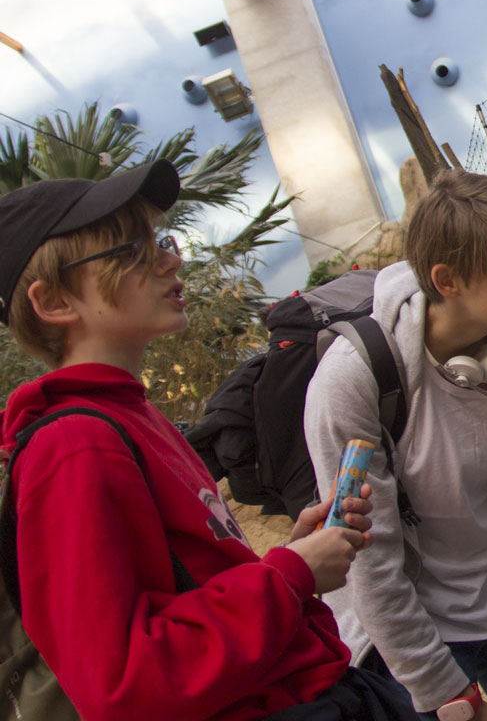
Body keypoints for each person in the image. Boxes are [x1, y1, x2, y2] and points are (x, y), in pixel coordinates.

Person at [0, 161, 417, 720]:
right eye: (132, 251)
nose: (171, 260)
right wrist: (289, 576)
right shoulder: (75, 445)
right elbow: (120, 680)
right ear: (54, 302)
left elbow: (188, 590)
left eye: (160, 241)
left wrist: (291, 557)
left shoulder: (130, 414)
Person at [304, 170, 487, 719]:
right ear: (447, 280)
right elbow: (369, 559)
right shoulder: (352, 382)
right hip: (412, 631)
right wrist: (452, 700)